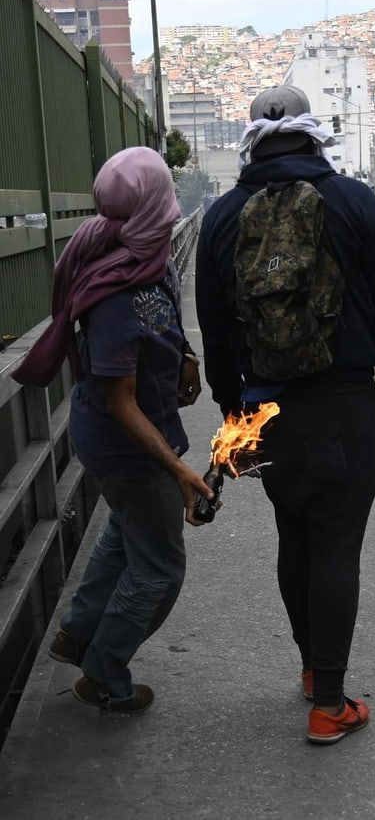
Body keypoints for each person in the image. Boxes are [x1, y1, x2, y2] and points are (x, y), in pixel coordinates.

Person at [195, 85, 375, 744]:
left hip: (263, 409)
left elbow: (214, 328)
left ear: (253, 137)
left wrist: (233, 419)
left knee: (296, 537)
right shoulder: (353, 202)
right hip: (344, 404)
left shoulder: (224, 215)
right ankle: (329, 701)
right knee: (337, 544)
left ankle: (310, 667)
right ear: (312, 133)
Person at [13, 146, 214, 713]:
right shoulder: (113, 292)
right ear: (151, 207)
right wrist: (178, 471)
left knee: (124, 537)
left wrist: (186, 355)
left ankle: (77, 632)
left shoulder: (151, 258)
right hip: (129, 448)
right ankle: (104, 672)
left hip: (137, 439)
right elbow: (119, 401)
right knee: (160, 570)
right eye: (167, 199)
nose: (175, 211)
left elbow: (166, 318)